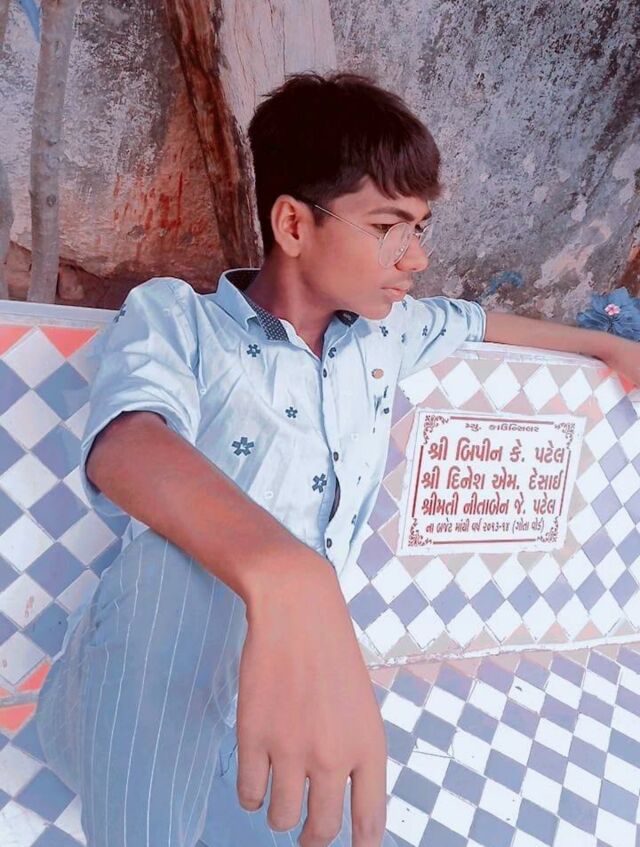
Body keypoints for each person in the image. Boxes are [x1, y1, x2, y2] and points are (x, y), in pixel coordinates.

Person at [34, 72, 639, 847]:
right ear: (293, 223)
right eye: (390, 227)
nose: (415, 258)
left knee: (346, 823)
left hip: (266, 710)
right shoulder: (182, 321)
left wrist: (606, 344)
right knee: (171, 568)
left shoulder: (385, 334)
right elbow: (128, 441)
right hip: (137, 696)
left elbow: (474, 322)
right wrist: (292, 574)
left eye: (420, 228)